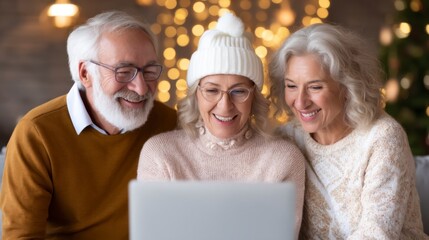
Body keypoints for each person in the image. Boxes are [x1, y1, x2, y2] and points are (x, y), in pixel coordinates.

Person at [0, 11, 177, 239]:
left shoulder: (169, 123)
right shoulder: (37, 133)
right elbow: (21, 236)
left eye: (150, 71)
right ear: (85, 73)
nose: (141, 88)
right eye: (124, 72)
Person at [137, 13, 306, 237]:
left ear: (254, 96)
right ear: (196, 94)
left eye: (238, 91)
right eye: (212, 90)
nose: (225, 106)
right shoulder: (161, 154)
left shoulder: (282, 159)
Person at [269, 23, 428, 239]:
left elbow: (377, 235)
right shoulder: (286, 138)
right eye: (291, 86)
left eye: (315, 87)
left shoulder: (382, 137)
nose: (300, 102)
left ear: (347, 85)